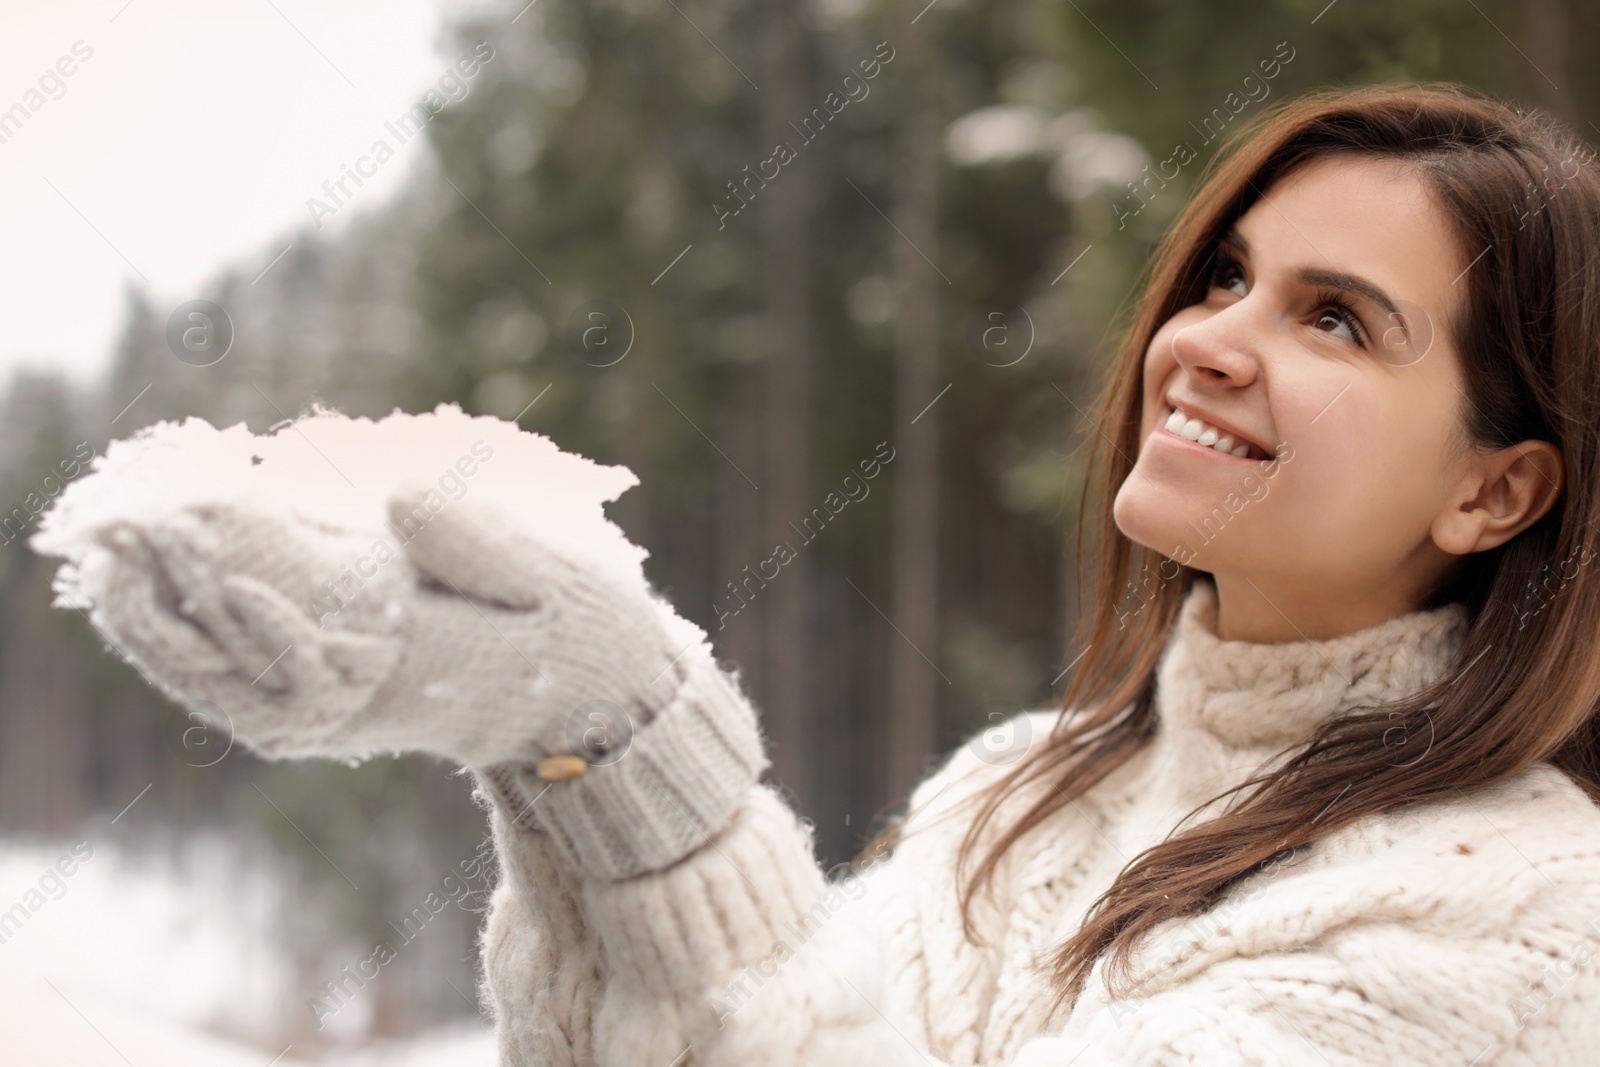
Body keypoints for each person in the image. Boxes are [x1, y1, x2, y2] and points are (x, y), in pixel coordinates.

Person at [40, 82, 1600, 1065]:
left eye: (1335, 319)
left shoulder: (1521, 918)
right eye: (1229, 276)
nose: (1208, 342)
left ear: (1496, 487)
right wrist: (563, 736)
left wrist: (644, 716)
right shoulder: (1018, 790)